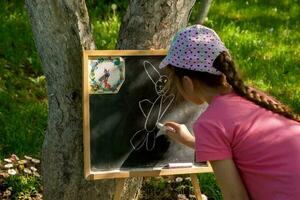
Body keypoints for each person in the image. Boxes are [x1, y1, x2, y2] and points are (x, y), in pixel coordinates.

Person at [158, 24, 300, 200]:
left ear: (187, 82)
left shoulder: (210, 122)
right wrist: (192, 141)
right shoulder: (253, 96)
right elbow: (242, 145)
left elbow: (235, 197)